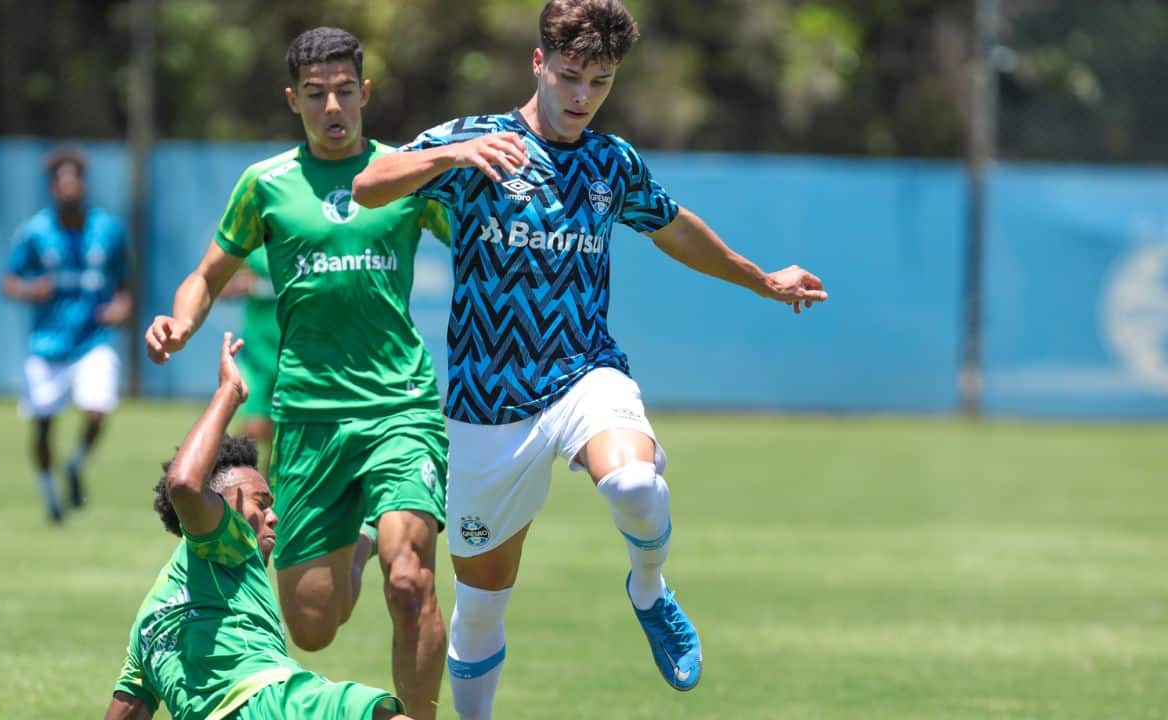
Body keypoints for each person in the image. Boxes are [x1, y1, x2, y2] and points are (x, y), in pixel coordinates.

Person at [351, 0, 828, 716]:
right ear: (538, 63)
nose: (581, 97)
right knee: (480, 609)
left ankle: (649, 587)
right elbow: (366, 187)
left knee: (635, 484)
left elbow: (673, 229)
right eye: (570, 76)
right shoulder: (476, 141)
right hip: (486, 405)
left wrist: (761, 279)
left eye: (599, 82)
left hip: (583, 373)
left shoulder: (612, 162)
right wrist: (451, 156)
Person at [144, 28, 451, 720]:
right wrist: (180, 322)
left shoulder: (406, 174)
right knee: (312, 625)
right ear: (294, 100)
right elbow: (207, 274)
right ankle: (366, 536)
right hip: (309, 418)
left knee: (411, 581)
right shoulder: (267, 186)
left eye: (345, 91)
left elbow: (483, 245)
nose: (333, 106)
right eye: (316, 94)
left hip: (400, 406)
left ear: (365, 93)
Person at [103, 332, 412, 720]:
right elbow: (183, 484)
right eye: (262, 503)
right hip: (274, 703)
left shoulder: (145, 627)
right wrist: (229, 393)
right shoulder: (230, 542)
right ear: (224, 507)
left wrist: (368, 526)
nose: (274, 516)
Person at [1, 145, 131, 523]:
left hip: (92, 340)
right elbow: (8, 280)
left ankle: (74, 464)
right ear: (53, 187)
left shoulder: (108, 229)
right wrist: (28, 291)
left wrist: (122, 306)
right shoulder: (36, 232)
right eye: (62, 182)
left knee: (98, 409)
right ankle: (49, 495)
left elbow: (125, 282)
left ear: (85, 185)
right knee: (43, 424)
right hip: (47, 345)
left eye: (76, 180)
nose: (70, 188)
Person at [217, 249, 280, 473]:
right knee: (253, 428)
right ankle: (242, 487)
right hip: (258, 353)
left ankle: (271, 494)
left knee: (284, 436)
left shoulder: (302, 236)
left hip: (294, 351)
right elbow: (219, 287)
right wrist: (238, 285)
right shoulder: (253, 247)